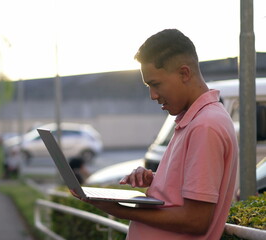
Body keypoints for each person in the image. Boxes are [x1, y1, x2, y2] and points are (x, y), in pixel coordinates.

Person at [71, 29, 238, 239]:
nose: (153, 95)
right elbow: (191, 191)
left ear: (184, 73)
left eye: (155, 84)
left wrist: (115, 208)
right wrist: (158, 180)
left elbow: (196, 221)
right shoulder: (197, 120)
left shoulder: (205, 126)